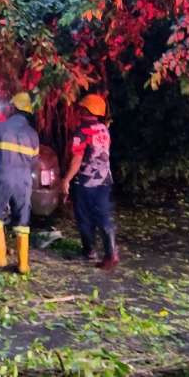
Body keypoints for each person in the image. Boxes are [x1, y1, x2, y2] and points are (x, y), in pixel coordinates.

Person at [0, 92, 40, 274]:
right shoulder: (33, 134)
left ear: (12, 108)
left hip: (3, 176)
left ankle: (0, 259)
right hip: (24, 181)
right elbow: (34, 159)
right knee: (22, 219)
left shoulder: (0, 128)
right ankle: (23, 265)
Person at [60, 93, 118, 270]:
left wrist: (66, 180)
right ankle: (110, 252)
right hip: (104, 180)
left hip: (86, 182)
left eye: (80, 108)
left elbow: (77, 160)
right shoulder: (104, 130)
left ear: (85, 110)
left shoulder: (81, 132)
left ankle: (90, 251)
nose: (78, 110)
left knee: (84, 217)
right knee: (102, 214)